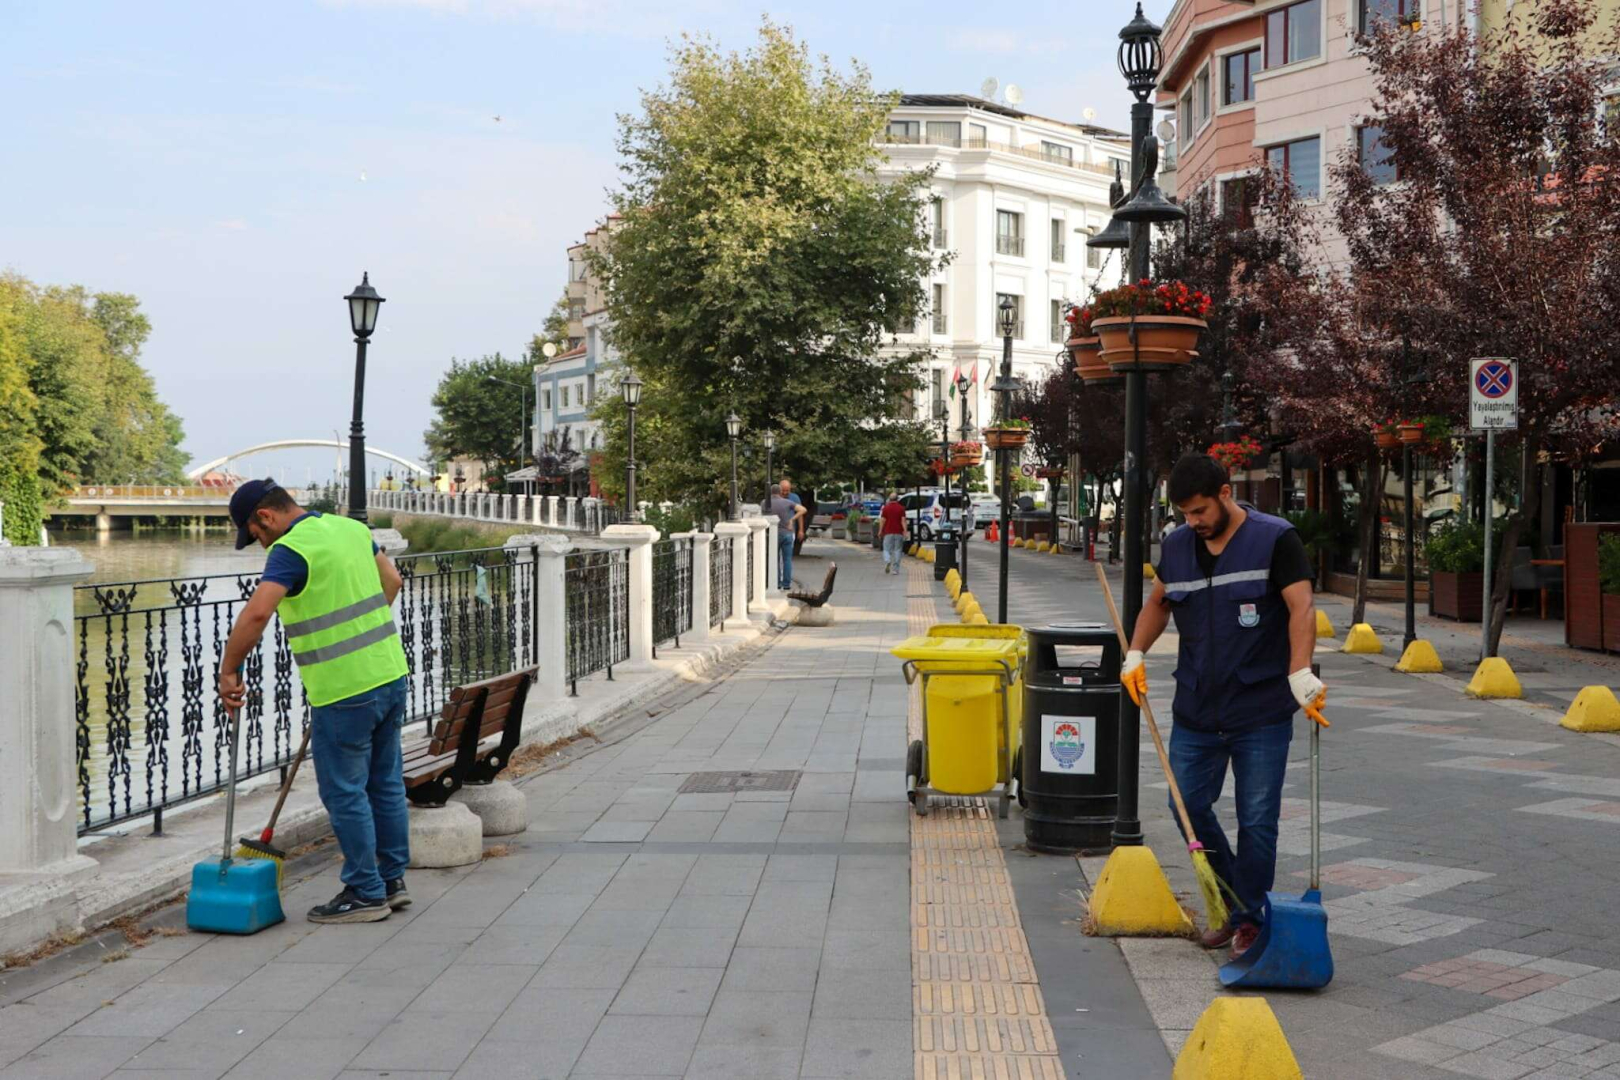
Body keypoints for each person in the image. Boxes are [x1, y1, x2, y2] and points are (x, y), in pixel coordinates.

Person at [1121, 453, 1325, 959]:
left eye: (1200, 511)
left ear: (1226, 493)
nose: (1193, 522)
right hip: (1196, 707)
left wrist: (1300, 671)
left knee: (1256, 819)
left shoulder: (1275, 539)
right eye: (1185, 514)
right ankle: (1237, 901)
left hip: (1260, 709)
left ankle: (1249, 920)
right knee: (1185, 805)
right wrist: (1135, 653)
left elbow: (1302, 607)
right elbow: (1159, 603)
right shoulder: (1176, 546)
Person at [218, 480, 411, 925]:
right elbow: (393, 581)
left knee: (344, 792)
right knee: (384, 783)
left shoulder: (290, 550)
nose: (259, 543)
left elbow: (258, 613)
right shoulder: (351, 529)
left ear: (265, 516)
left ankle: (365, 892)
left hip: (343, 690)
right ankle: (391, 881)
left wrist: (229, 670)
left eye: (255, 534)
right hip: (388, 673)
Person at [766, 480, 807, 589]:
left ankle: (779, 583)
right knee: (786, 559)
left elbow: (800, 515)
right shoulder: (787, 502)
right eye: (783, 490)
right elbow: (803, 510)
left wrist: (800, 529)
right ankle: (784, 584)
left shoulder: (793, 498)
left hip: (779, 533)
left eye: (787, 490)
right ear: (779, 490)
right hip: (787, 532)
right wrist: (791, 520)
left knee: (777, 559)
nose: (785, 492)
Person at [879, 491, 907, 574]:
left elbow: (883, 520)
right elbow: (903, 521)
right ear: (897, 499)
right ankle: (895, 570)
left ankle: (887, 560)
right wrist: (905, 531)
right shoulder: (901, 508)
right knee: (898, 550)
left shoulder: (886, 508)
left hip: (888, 532)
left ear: (889, 499)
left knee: (886, 549)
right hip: (898, 532)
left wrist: (880, 531)